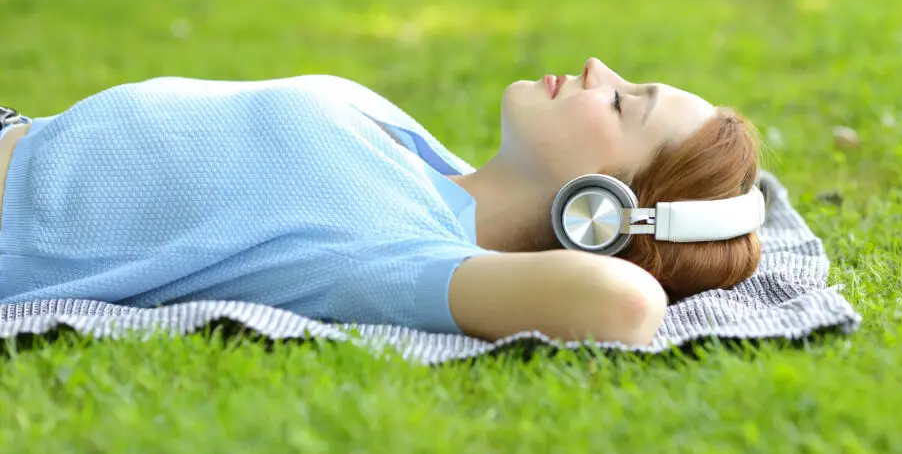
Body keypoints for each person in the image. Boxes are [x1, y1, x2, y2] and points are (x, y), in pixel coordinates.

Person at [0, 57, 760, 346]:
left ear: (602, 211)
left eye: (623, 105)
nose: (598, 68)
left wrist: (664, 231)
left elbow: (623, 304)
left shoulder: (403, 257)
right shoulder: (430, 166)